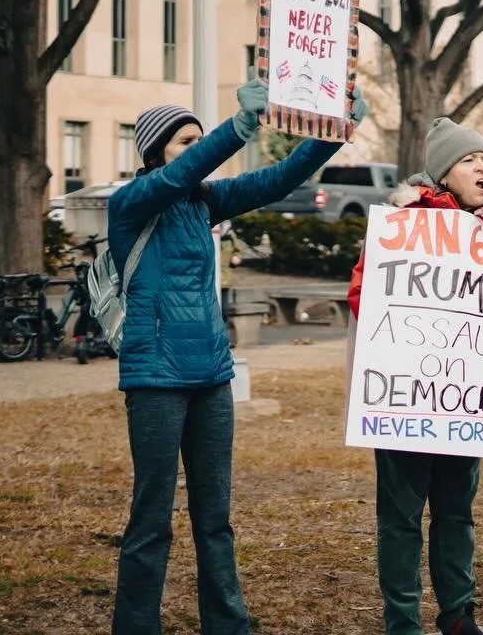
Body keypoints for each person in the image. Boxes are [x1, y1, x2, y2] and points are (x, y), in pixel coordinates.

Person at [108, 79, 368, 634]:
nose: (196, 150)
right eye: (185, 142)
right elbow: (177, 176)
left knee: (215, 520)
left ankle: (228, 626)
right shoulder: (131, 202)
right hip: (155, 379)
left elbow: (280, 178)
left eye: (199, 139)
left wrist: (335, 132)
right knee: (151, 521)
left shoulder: (204, 202)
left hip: (211, 376)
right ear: (154, 152)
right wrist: (237, 128)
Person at [346, 116, 483, 635]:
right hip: (407, 396)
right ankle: (402, 622)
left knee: (456, 513)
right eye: (470, 159)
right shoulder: (405, 222)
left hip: (464, 398)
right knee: (400, 519)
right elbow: (361, 297)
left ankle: (459, 614)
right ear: (444, 173)